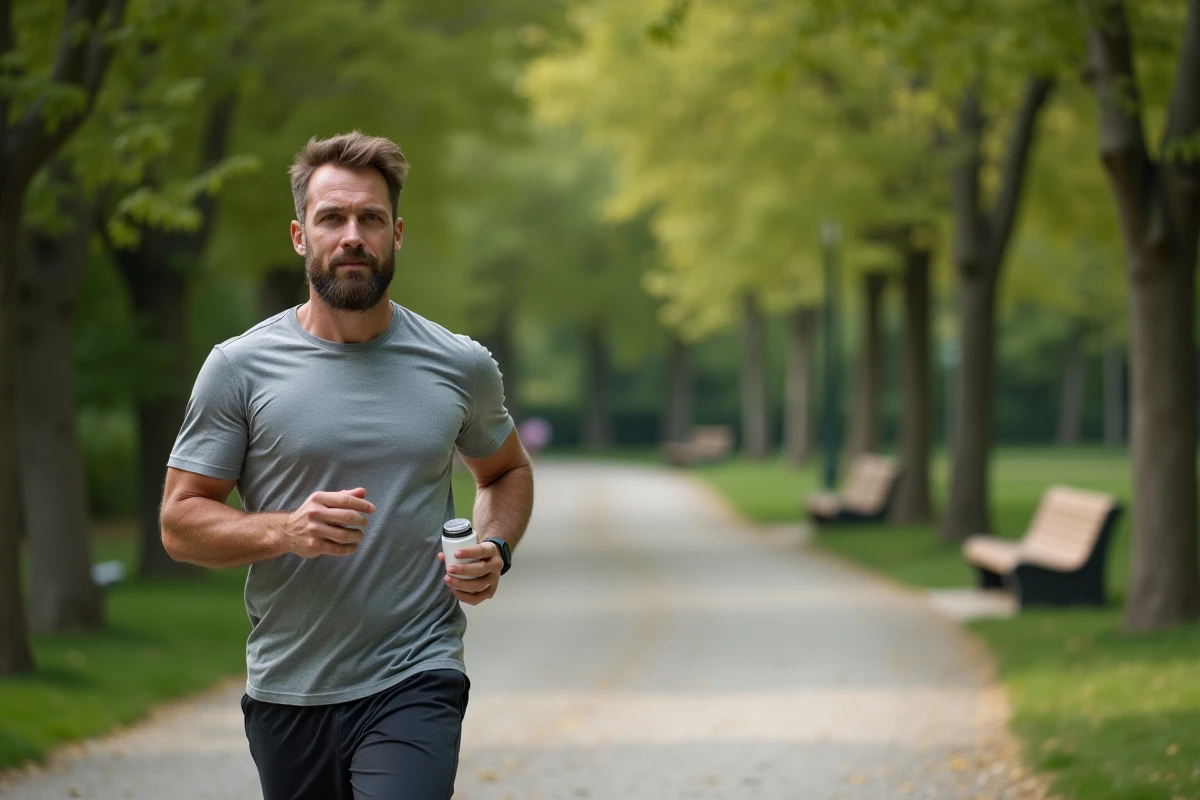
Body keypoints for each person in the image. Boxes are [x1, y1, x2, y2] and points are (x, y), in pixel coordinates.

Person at [159, 131, 534, 800]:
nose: (352, 234)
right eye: (332, 217)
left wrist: (494, 546)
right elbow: (180, 523)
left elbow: (505, 472)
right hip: (289, 687)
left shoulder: (459, 365)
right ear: (301, 236)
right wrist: (284, 532)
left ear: (397, 233)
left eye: (371, 218)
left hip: (417, 672)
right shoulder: (238, 368)